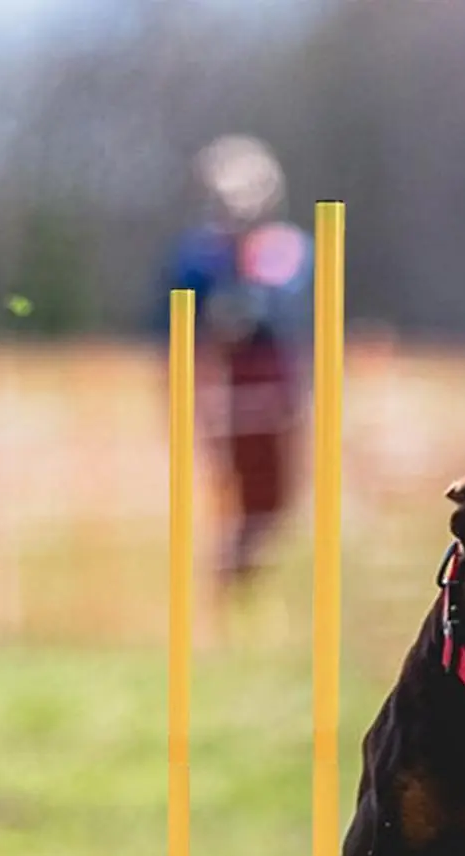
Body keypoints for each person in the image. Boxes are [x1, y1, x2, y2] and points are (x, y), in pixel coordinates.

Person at [159, 136, 314, 589]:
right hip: (224, 381)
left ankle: (244, 572)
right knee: (229, 487)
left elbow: (289, 311)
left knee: (275, 494)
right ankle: (227, 578)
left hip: (275, 381)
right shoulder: (199, 254)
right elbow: (182, 319)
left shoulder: (287, 248)